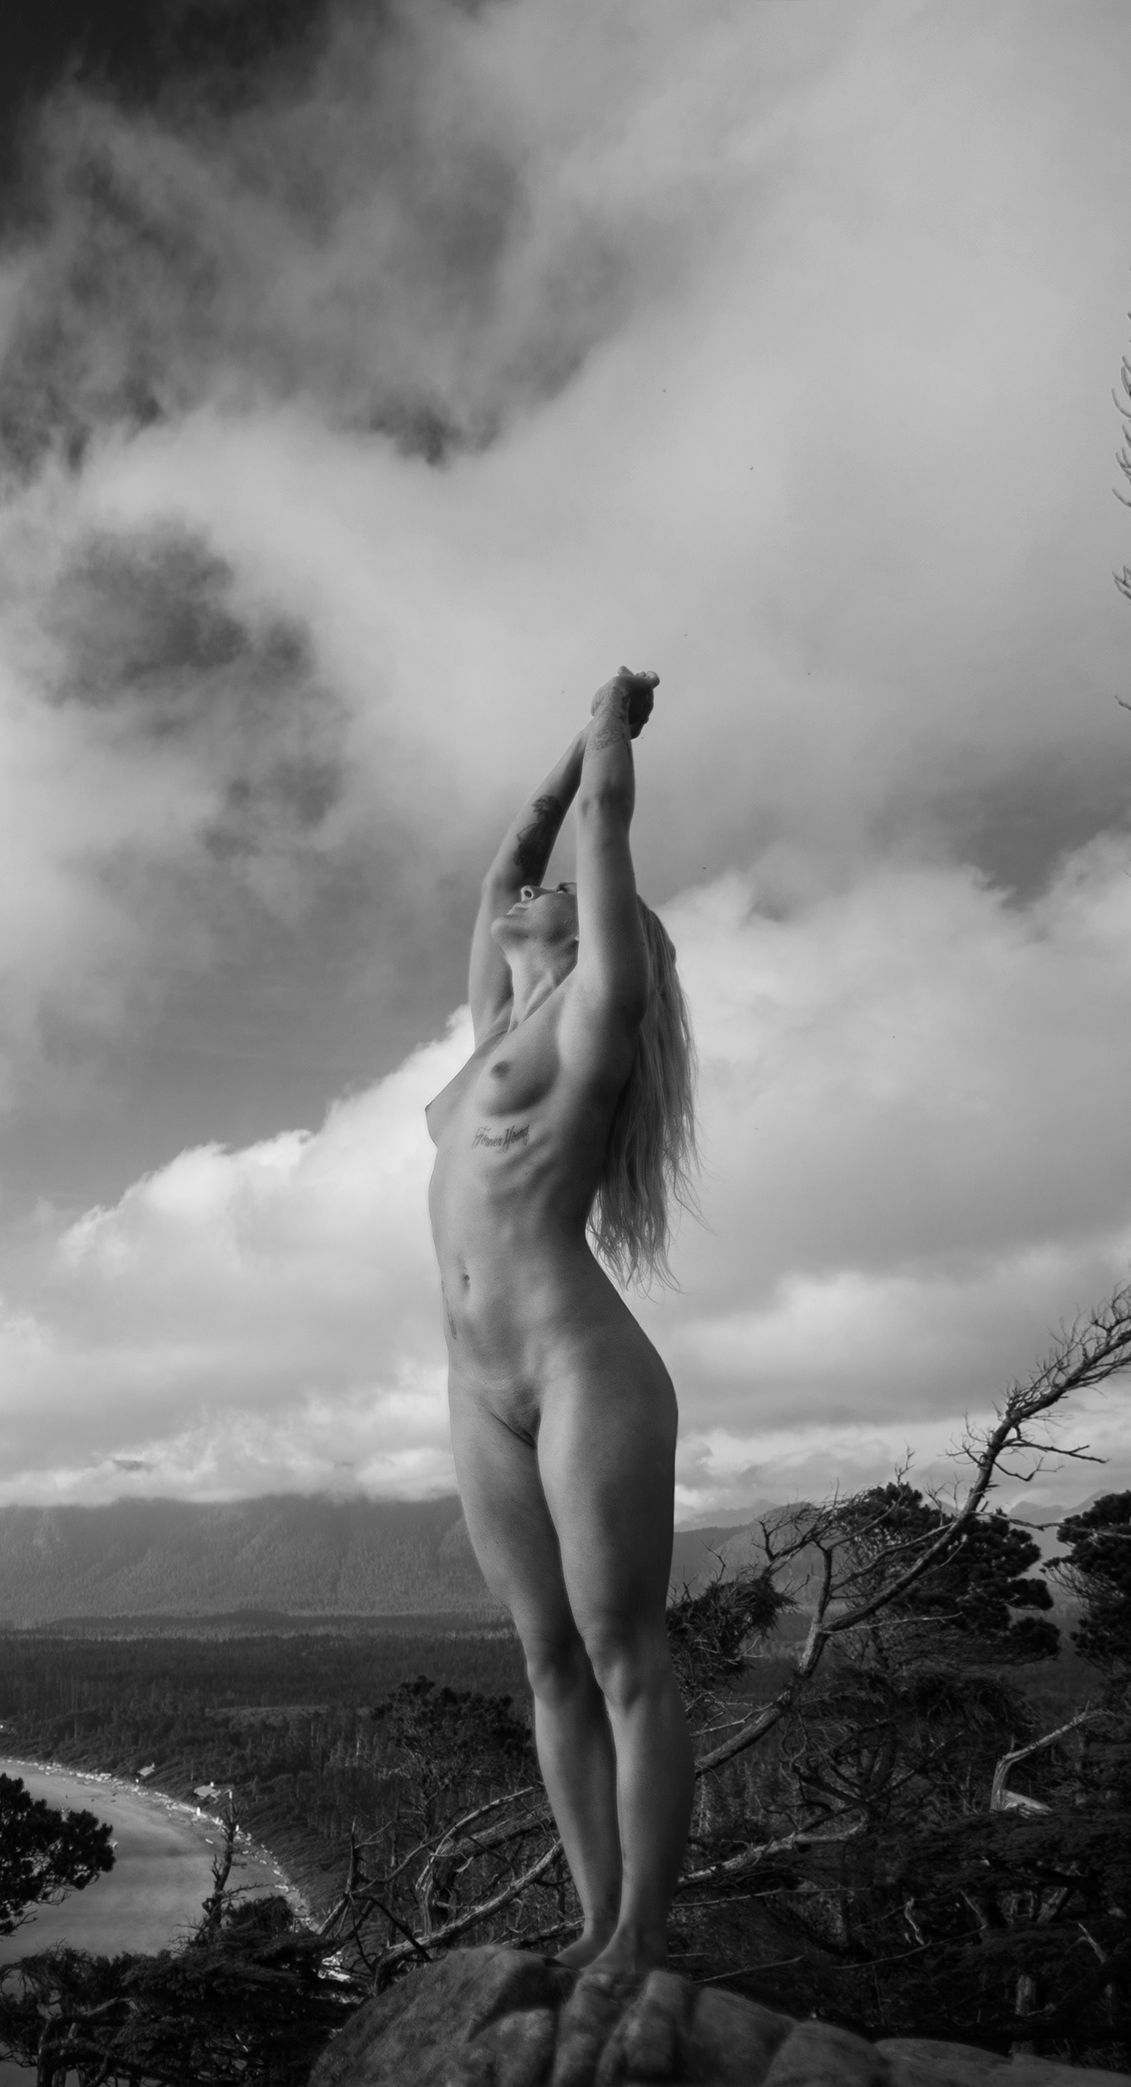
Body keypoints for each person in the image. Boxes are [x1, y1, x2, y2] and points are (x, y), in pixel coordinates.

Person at [425, 668, 696, 1974]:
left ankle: (642, 1934)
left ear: (597, 928)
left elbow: (597, 826)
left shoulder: (598, 1013)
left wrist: (606, 729)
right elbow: (511, 857)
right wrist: (558, 760)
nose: (527, 892)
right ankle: (593, 1923)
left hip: (582, 1368)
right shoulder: (495, 1027)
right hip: (476, 1384)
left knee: (623, 1653)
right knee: (547, 1661)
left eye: (562, 893)